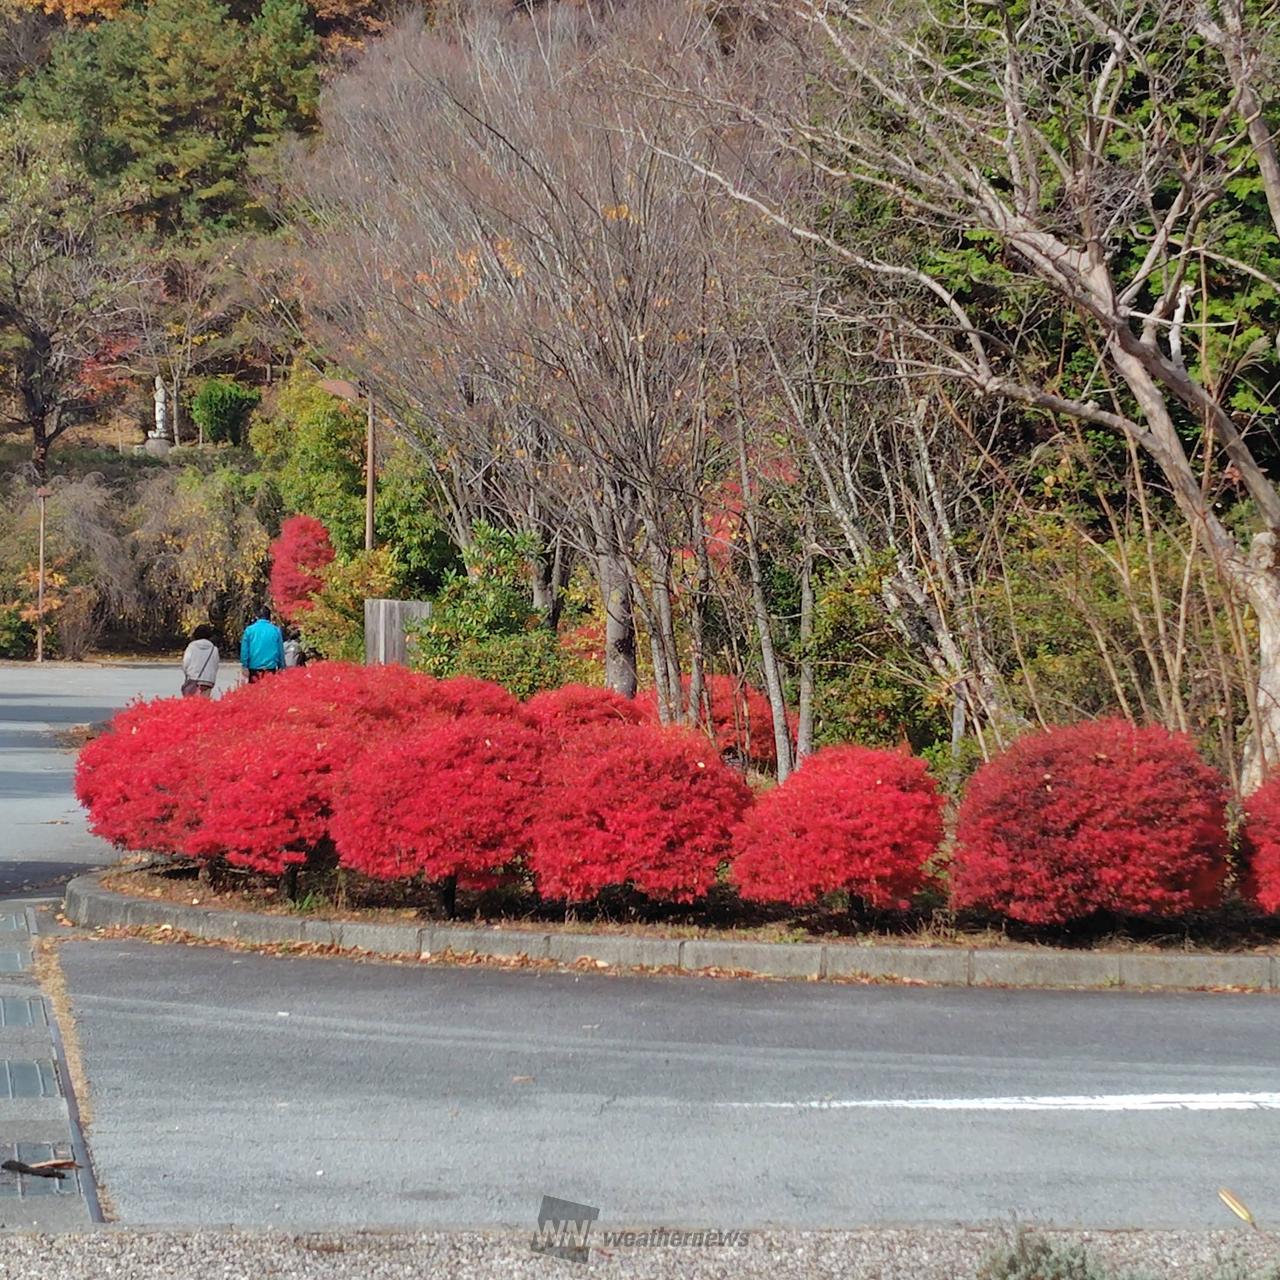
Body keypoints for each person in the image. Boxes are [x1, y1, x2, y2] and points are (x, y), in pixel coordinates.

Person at [240, 607, 286, 683]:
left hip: (254, 668)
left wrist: (245, 666)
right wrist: (282, 666)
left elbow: (244, 650)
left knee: (255, 689)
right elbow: (280, 650)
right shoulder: (275, 630)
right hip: (270, 668)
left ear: (257, 617)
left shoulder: (249, 630)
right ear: (269, 616)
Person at [181, 624, 219, 697]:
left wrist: (187, 673)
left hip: (193, 678)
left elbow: (186, 662)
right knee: (204, 702)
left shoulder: (191, 646)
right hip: (208, 681)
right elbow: (215, 665)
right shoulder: (214, 649)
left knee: (191, 701)